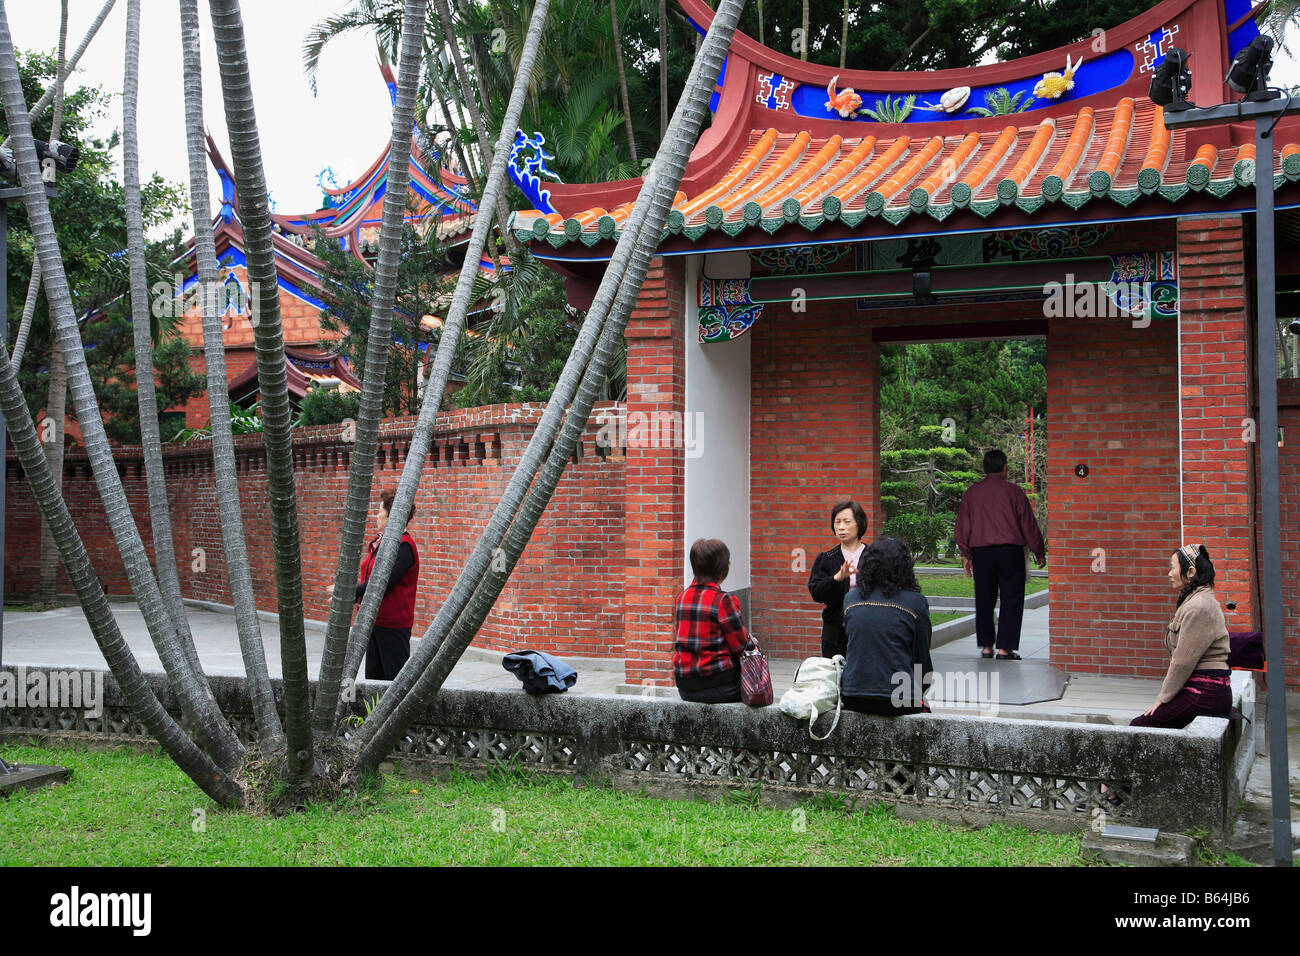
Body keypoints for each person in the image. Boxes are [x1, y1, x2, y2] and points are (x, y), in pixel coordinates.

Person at [955, 449, 1045, 660]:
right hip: (1009, 552)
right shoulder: (1014, 492)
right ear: (1005, 468)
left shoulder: (972, 493)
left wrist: (965, 553)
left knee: (984, 598)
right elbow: (1027, 524)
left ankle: (987, 647)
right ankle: (1004, 648)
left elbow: (963, 526)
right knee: (1011, 597)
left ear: (983, 468)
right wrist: (1038, 550)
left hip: (981, 553)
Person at [1131, 544, 1231, 728]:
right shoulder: (1196, 601)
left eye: (1173, 568)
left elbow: (1183, 661)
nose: (1169, 573)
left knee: (1140, 727)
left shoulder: (1199, 606)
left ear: (1191, 571)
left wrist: (1163, 698)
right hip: (1205, 689)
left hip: (1205, 691)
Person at [327, 487, 420, 680]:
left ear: (391, 517)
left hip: (392, 627)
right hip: (374, 622)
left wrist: (348, 593)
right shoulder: (382, 543)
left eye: (380, 512)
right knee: (374, 680)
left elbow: (381, 583)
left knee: (392, 682)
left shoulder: (404, 547)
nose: (376, 516)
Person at [840, 537, 933, 715]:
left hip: (852, 696)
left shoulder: (850, 599)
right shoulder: (916, 603)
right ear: (905, 567)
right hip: (898, 698)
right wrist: (919, 689)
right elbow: (921, 658)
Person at [673, 538, 757, 703]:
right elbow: (741, 646)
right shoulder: (723, 601)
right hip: (719, 685)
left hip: (685, 686)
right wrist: (752, 641)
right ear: (723, 569)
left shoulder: (681, 598)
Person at [807, 500, 869, 659]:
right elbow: (816, 593)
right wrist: (836, 578)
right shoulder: (826, 558)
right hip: (835, 631)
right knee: (835, 677)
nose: (841, 527)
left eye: (847, 522)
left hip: (868, 628)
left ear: (859, 524)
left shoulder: (873, 556)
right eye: (837, 522)